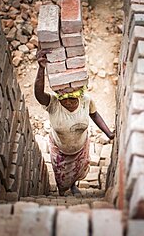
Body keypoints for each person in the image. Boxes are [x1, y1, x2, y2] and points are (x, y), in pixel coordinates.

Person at [34, 49, 115, 196]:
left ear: (79, 96)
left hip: (80, 146)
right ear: (59, 98)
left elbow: (94, 114)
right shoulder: (53, 104)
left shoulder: (86, 101)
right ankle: (62, 190)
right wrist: (41, 68)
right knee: (62, 175)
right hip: (60, 150)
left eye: (73, 99)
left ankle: (73, 185)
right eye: (65, 99)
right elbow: (39, 94)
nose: (69, 103)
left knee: (78, 170)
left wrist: (108, 132)